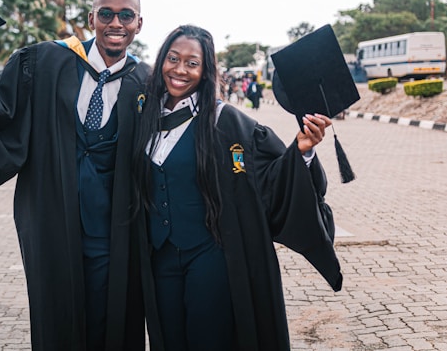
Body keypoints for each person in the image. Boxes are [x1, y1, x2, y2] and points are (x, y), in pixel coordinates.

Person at [0, 0, 153, 351]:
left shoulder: (147, 81)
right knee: (57, 314)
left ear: (138, 23)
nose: (115, 23)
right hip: (54, 218)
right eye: (106, 13)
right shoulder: (47, 60)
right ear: (91, 18)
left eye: (125, 15)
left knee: (111, 315)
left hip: (116, 228)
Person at [132, 25, 342, 350]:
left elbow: (270, 180)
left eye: (192, 62)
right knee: (169, 340)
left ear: (205, 71)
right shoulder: (143, 117)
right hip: (159, 260)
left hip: (208, 258)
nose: (180, 69)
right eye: (173, 59)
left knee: (209, 340)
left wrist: (302, 150)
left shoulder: (227, 124)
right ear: (162, 61)